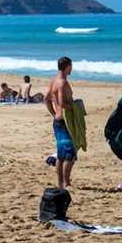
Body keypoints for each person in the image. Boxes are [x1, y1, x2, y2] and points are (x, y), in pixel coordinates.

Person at [45, 57, 76, 188]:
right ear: (67, 67)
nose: (72, 69)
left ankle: (60, 183)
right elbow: (63, 103)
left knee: (61, 154)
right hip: (64, 122)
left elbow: (46, 99)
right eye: (71, 66)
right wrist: (75, 107)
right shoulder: (62, 83)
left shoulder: (54, 81)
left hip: (57, 121)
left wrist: (54, 113)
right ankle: (66, 182)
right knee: (70, 153)